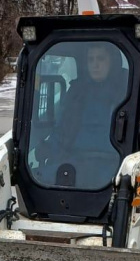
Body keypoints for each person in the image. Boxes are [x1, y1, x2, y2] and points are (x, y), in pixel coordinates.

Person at [34, 42, 128, 189]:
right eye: (91, 60)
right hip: (75, 160)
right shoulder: (77, 93)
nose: (95, 65)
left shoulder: (125, 92)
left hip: (112, 163)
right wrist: (47, 147)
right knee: (39, 180)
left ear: (113, 61)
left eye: (101, 59)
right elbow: (63, 130)